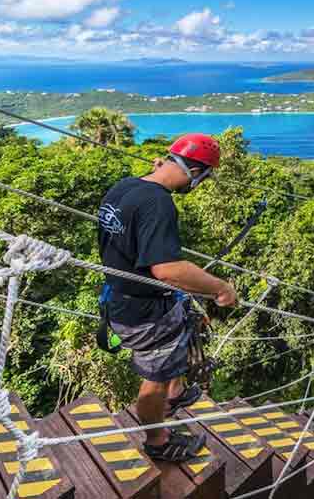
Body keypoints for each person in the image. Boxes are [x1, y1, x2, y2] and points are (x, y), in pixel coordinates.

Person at [97, 133, 238, 463]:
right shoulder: (159, 202)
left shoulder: (124, 187)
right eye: (204, 177)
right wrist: (221, 287)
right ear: (198, 172)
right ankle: (157, 441)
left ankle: (174, 395)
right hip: (144, 310)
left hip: (123, 297)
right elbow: (167, 269)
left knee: (181, 330)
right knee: (155, 376)